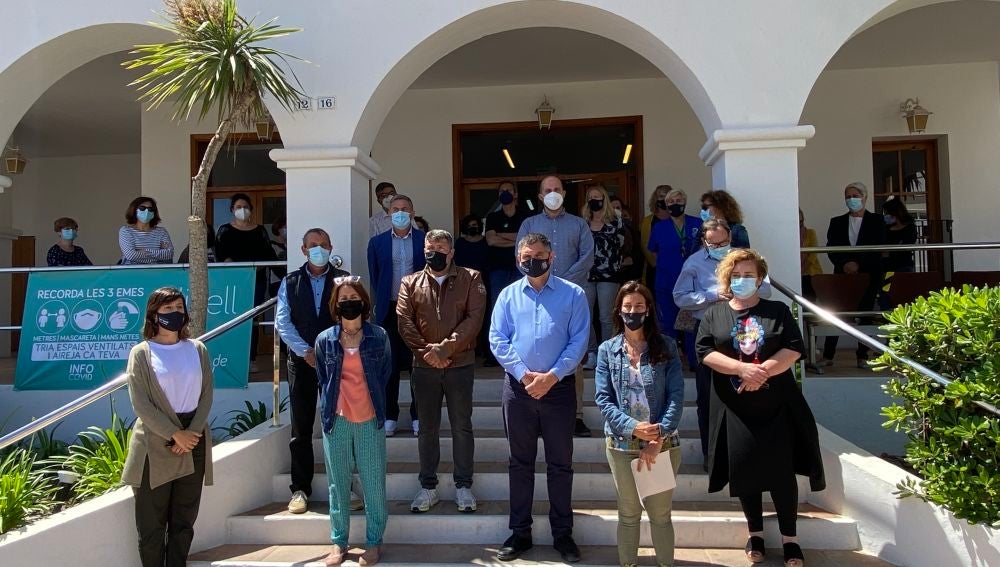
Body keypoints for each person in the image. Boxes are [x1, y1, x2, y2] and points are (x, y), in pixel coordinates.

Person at [696, 248, 825, 567]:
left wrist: (760, 371)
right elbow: (705, 351)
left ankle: (790, 539)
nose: (742, 280)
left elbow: (794, 348)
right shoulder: (715, 314)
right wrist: (741, 370)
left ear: (760, 277)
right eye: (736, 275)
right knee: (745, 469)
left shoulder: (777, 310)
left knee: (782, 472)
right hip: (735, 406)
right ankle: (755, 532)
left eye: (749, 275)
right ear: (727, 278)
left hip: (776, 404)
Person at [489, 233, 589, 563]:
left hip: (558, 390)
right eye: (527, 256)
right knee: (520, 463)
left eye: (540, 254)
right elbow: (498, 339)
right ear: (518, 259)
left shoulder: (573, 294)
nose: (533, 260)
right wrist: (523, 374)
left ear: (551, 256)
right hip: (518, 391)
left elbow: (578, 341)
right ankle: (520, 533)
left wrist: (553, 376)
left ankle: (563, 534)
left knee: (561, 465)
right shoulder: (506, 296)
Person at [121, 287, 214, 567]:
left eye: (178, 308)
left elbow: (206, 395)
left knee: (184, 520)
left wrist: (191, 434)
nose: (175, 314)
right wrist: (175, 434)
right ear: (153, 315)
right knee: (151, 524)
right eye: (167, 309)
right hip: (156, 441)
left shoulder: (197, 349)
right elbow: (141, 404)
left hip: (193, 438)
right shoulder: (142, 353)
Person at [594, 280, 684, 567]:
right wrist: (633, 427)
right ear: (618, 311)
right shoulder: (607, 350)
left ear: (648, 310)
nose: (633, 312)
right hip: (622, 446)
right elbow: (603, 398)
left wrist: (657, 438)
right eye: (628, 307)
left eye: (639, 307)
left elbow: (676, 395)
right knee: (628, 513)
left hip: (662, 445)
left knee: (659, 514)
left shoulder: (666, 346)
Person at [397, 229, 487, 513]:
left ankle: (463, 486)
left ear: (451, 252)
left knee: (462, 426)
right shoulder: (410, 282)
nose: (433, 251)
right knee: (427, 428)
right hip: (423, 368)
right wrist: (427, 353)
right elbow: (404, 321)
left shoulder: (471, 278)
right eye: (429, 246)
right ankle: (428, 486)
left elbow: (474, 319)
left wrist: (445, 350)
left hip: (459, 365)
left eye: (439, 247)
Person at [275, 228, 359, 515]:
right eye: (313, 245)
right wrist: (306, 352)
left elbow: (353, 317)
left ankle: (345, 486)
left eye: (324, 244)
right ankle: (300, 489)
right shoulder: (291, 281)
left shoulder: (344, 279)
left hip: (338, 361)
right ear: (303, 250)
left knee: (340, 425)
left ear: (331, 246)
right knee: (301, 428)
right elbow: (283, 323)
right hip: (302, 362)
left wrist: (329, 349)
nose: (319, 249)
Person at [673, 219, 772, 462]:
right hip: (708, 329)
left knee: (746, 392)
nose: (719, 246)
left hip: (743, 328)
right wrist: (712, 295)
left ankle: (746, 453)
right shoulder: (694, 262)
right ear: (704, 241)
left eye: (724, 241)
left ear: (730, 237)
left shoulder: (746, 260)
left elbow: (767, 290)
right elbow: (680, 296)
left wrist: (743, 290)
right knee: (708, 395)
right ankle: (712, 455)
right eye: (713, 242)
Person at [314, 278, 390, 567]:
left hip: (369, 418)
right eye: (343, 298)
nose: (348, 302)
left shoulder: (378, 336)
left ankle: (373, 542)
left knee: (373, 483)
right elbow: (323, 377)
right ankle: (338, 542)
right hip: (338, 421)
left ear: (363, 302)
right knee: (338, 484)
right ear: (336, 305)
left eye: (353, 297)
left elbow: (384, 372)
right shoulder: (325, 340)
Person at [516, 175, 595, 438]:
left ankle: (577, 415)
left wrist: (561, 284)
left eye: (556, 189)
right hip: (536, 296)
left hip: (569, 298)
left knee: (574, 356)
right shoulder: (529, 223)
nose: (552, 193)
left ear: (564, 193)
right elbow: (521, 257)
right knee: (538, 351)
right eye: (547, 190)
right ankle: (536, 413)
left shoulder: (579, 224)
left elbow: (587, 256)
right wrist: (541, 280)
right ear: (540, 196)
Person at [367, 194, 425, 437]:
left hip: (418, 309)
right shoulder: (377, 243)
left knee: (417, 365)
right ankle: (390, 415)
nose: (400, 212)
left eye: (405, 209)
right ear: (389, 214)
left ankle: (418, 415)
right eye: (396, 209)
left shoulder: (424, 240)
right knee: (388, 365)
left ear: (412, 213)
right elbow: (375, 276)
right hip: (389, 309)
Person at [824, 181, 886, 368]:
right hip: (843, 275)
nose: (851, 199)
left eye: (855, 196)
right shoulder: (837, 222)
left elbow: (879, 247)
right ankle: (828, 356)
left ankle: (863, 355)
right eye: (848, 196)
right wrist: (844, 264)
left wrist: (859, 264)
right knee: (835, 312)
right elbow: (831, 247)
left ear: (864, 197)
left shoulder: (877, 221)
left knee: (865, 313)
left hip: (868, 274)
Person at [215, 193, 279, 373]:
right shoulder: (225, 230)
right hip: (232, 282)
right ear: (232, 210)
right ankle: (232, 356)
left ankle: (250, 359)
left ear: (251, 209)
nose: (242, 210)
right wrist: (231, 264)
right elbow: (220, 253)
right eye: (238, 207)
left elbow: (268, 253)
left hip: (256, 281)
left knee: (252, 319)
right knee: (234, 319)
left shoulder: (260, 231)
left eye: (245, 206)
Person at [646, 186, 703, 369]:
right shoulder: (659, 227)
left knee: (691, 325)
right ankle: (669, 364)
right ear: (665, 204)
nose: (675, 204)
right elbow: (652, 252)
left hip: (692, 284)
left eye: (678, 201)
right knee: (668, 324)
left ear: (685, 203)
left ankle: (694, 362)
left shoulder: (697, 223)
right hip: (666, 283)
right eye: (671, 202)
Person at [580, 185, 625, 371]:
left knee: (606, 317)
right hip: (586, 274)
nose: (594, 200)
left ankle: (606, 354)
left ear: (604, 199)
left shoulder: (615, 220)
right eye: (591, 197)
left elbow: (622, 245)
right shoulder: (582, 222)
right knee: (585, 316)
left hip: (609, 274)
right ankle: (591, 353)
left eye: (598, 197)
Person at [485, 181, 529, 366]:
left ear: (516, 194)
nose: (506, 193)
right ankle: (496, 354)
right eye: (502, 191)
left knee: (521, 308)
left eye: (509, 190)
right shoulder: (493, 217)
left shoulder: (525, 216)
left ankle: (520, 351)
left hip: (521, 270)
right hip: (498, 270)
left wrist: (503, 236)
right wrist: (517, 238)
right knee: (498, 309)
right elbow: (491, 241)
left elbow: (527, 241)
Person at [454, 214, 491, 363]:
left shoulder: (485, 243)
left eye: (476, 224)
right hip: (463, 284)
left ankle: (486, 352)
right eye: (470, 224)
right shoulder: (460, 243)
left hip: (484, 282)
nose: (473, 227)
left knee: (485, 316)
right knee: (465, 317)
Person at [639, 185, 674, 291]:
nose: (663, 199)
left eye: (666, 196)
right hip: (654, 269)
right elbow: (645, 247)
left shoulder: (678, 219)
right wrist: (657, 263)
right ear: (655, 198)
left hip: (674, 268)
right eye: (661, 196)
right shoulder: (648, 221)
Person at [119, 196, 173, 264]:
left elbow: (169, 253)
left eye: (150, 209)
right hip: (132, 272)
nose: (146, 211)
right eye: (142, 208)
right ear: (134, 210)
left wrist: (143, 252)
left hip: (156, 272)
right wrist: (158, 255)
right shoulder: (126, 231)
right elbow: (131, 255)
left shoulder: (161, 232)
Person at [608, 195, 640, 282]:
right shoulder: (602, 229)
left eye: (618, 207)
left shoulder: (629, 229)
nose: (615, 210)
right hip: (609, 275)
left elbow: (637, 253)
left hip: (627, 275)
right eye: (612, 207)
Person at [799, 209, 822, 300]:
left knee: (810, 302)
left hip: (810, 274)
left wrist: (801, 270)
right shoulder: (788, 234)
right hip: (794, 274)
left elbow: (813, 255)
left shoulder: (810, 233)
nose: (799, 224)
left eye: (801, 221)